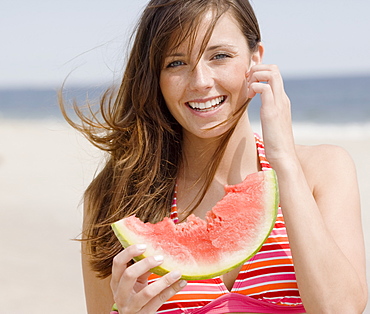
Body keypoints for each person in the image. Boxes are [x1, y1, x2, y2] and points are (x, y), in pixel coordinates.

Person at [60, 0, 368, 313]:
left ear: (255, 59)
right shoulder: (113, 200)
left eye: (219, 56)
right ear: (156, 77)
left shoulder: (322, 170)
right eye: (176, 63)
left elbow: (340, 309)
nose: (201, 82)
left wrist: (284, 161)